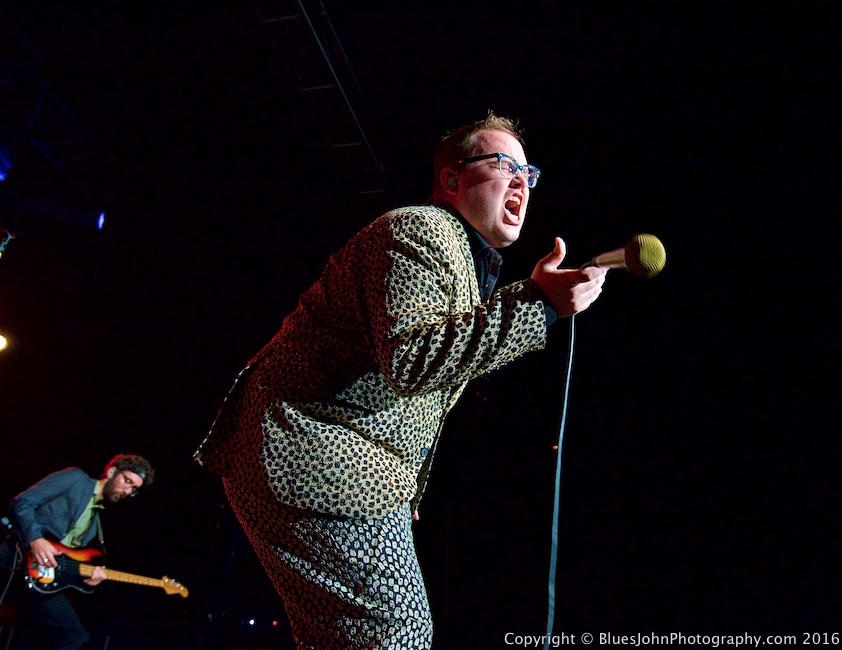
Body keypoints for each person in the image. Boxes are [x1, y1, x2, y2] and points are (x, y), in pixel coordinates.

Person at [194, 112, 608, 649]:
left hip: (328, 460)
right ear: (452, 179)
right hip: (310, 450)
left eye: (527, 174)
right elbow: (414, 359)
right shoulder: (421, 228)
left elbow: (435, 364)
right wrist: (540, 305)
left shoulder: (462, 257)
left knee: (348, 639)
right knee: (393, 633)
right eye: (503, 164)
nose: (519, 183)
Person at [0, 454, 155, 650]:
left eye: (134, 489)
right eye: (127, 481)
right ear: (111, 471)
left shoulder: (94, 524)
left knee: (74, 636)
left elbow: (65, 560)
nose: (127, 490)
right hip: (15, 555)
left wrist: (88, 578)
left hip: (39, 579)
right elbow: (21, 503)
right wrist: (35, 540)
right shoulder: (76, 479)